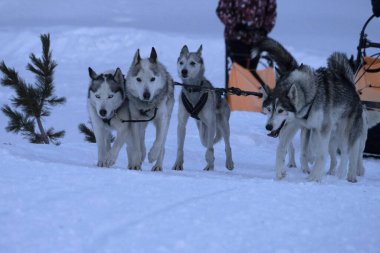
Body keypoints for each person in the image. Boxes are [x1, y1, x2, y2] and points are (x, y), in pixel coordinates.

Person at [216, 0, 277, 71]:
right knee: (240, 70)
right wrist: (235, 24)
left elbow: (271, 12)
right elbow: (222, 11)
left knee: (252, 71)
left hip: (257, 38)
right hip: (235, 38)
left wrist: (265, 28)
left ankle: (250, 80)